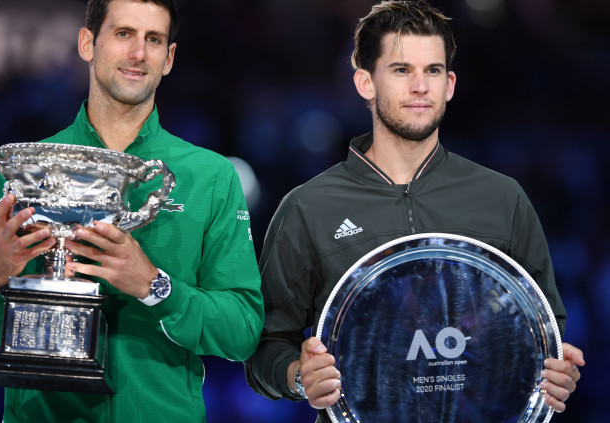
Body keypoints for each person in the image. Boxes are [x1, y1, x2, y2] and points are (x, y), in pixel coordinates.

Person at [244, 1, 584, 421]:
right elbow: (265, 348)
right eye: (402, 70)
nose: (421, 86)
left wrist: (558, 372)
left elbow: (544, 331)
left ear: (450, 84)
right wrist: (299, 375)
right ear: (366, 83)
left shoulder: (502, 198)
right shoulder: (309, 208)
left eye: (434, 70)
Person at [0, 0, 264, 421]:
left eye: (153, 40)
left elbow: (242, 333)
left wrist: (155, 286)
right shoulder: (21, 172)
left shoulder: (210, 177)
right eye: (123, 34)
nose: (138, 53)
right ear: (87, 43)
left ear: (169, 58)